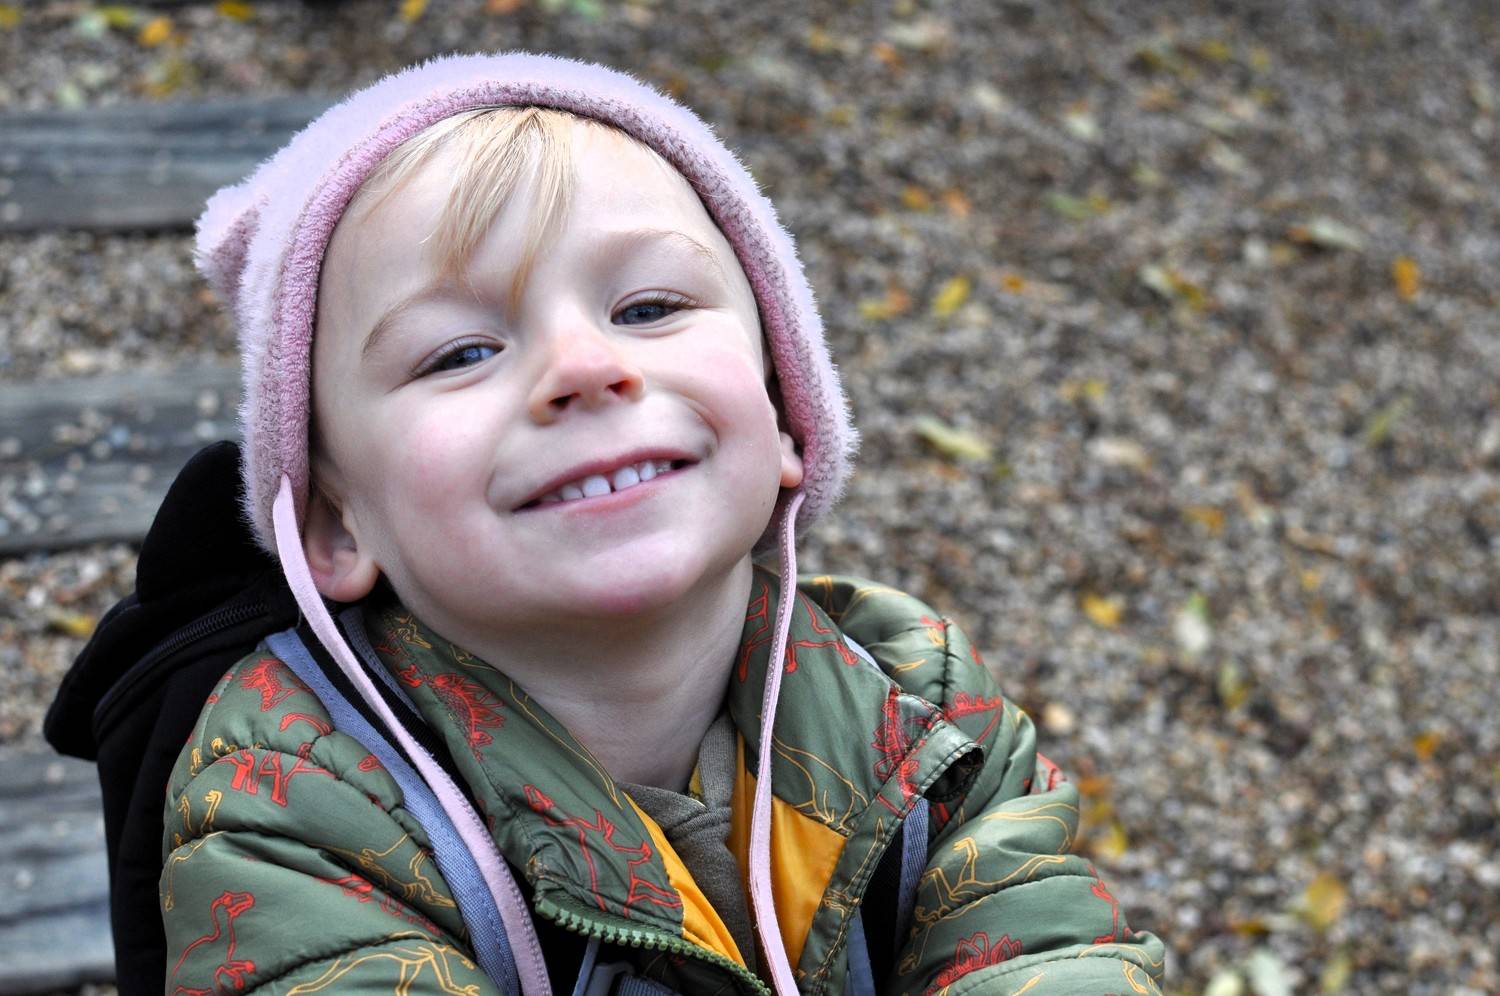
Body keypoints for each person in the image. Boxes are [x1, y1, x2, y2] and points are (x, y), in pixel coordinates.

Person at [159, 52, 1165, 994]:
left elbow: (1049, 955)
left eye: (647, 308)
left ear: (786, 416)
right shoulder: (293, 799)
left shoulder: (915, 697)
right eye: (460, 353)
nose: (585, 367)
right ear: (338, 527)